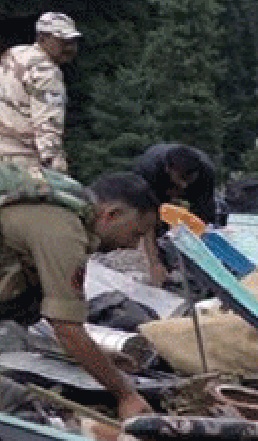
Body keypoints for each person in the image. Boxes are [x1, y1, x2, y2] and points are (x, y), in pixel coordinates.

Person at [0, 168, 158, 418]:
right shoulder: (64, 230)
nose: (132, 246)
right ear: (111, 215)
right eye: (135, 234)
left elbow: (51, 319)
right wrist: (126, 394)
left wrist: (98, 359)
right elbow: (67, 328)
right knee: (22, 408)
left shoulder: (62, 204)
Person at [0, 13, 81, 173]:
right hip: (23, 160)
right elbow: (48, 124)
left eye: (73, 41)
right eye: (63, 41)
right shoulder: (46, 71)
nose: (70, 47)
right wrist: (55, 167)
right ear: (43, 38)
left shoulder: (14, 55)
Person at [131, 143, 217, 285]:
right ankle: (163, 264)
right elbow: (147, 220)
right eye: (182, 178)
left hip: (195, 187)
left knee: (201, 224)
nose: (184, 185)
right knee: (157, 223)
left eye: (189, 178)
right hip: (157, 186)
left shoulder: (206, 171)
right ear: (168, 169)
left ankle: (198, 267)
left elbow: (204, 218)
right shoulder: (148, 170)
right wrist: (154, 263)